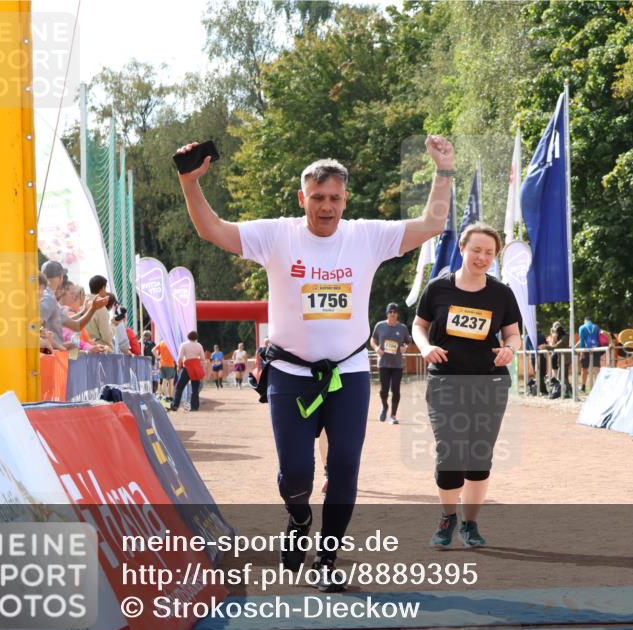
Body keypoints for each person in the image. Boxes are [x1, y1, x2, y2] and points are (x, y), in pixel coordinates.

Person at [175, 134, 454, 589]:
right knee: (297, 476)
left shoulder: (366, 236)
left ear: (346, 199)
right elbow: (214, 230)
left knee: (345, 467)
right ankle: (299, 517)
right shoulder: (276, 235)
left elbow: (431, 224)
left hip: (347, 372)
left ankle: (327, 559)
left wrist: (443, 172)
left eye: (335, 198)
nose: (326, 207)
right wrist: (189, 182)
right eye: (318, 198)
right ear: (302, 197)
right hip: (289, 373)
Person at [412, 223, 522, 549]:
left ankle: (470, 523)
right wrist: (424, 347)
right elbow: (419, 326)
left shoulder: (501, 293)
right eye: (476, 249)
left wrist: (509, 350)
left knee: (479, 455)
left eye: (489, 252)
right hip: (446, 380)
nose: (482, 257)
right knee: (450, 453)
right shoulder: (437, 288)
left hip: (489, 382)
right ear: (462, 248)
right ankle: (448, 517)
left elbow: (513, 334)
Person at [40, 261, 105, 347]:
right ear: (60, 278)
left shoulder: (48, 297)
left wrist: (91, 309)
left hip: (51, 355)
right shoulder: (48, 298)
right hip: (47, 357)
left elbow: (76, 325)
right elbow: (33, 327)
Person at [370, 302, 412, 424]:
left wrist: (405, 347)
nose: (392, 314)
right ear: (387, 313)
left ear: (397, 314)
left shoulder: (402, 328)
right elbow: (372, 339)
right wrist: (376, 348)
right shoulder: (380, 326)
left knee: (396, 390)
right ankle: (385, 407)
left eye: (394, 312)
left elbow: (408, 341)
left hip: (397, 365)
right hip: (383, 364)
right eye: (390, 312)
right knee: (383, 391)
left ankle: (393, 415)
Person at [171, 330, 207, 412]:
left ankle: (175, 405)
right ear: (196, 337)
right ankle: (194, 407)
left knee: (179, 387)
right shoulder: (199, 345)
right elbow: (203, 358)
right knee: (195, 388)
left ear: (188, 337)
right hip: (196, 367)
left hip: (187, 367)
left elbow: (180, 358)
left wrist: (178, 367)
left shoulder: (184, 345)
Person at [85, 275, 114, 347]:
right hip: (100, 349)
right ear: (103, 288)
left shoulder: (82, 303)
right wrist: (113, 326)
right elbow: (107, 336)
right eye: (106, 287)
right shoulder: (100, 307)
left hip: (84, 346)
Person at [576, 316, 602, 393]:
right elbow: (599, 338)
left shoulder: (582, 327)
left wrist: (581, 352)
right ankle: (598, 387)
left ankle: (583, 386)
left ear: (585, 321)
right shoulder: (596, 327)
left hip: (586, 350)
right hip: (596, 349)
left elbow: (582, 340)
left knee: (584, 368)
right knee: (596, 369)